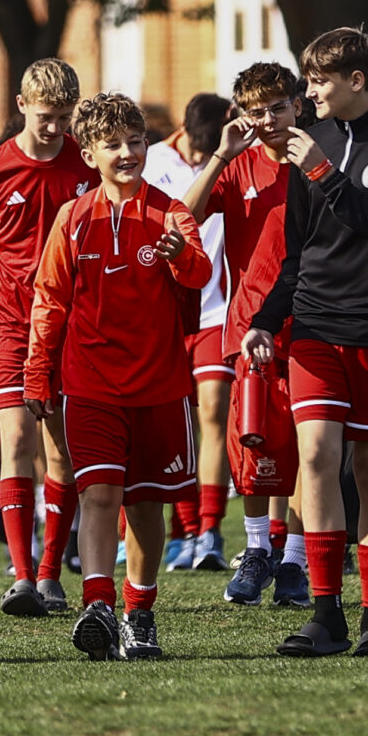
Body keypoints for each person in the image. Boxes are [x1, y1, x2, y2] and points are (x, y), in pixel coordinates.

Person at [241, 27, 368, 659]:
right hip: (316, 328)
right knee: (316, 456)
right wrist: (266, 319)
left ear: (355, 81)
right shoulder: (308, 143)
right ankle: (326, 615)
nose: (309, 91)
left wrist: (323, 172)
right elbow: (296, 252)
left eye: (319, 81)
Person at [25, 92, 213, 660]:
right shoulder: (73, 219)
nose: (127, 152)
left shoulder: (172, 211)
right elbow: (50, 298)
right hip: (91, 385)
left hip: (160, 386)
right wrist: (38, 370)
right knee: (100, 495)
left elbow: (201, 273)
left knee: (146, 507)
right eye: (112, 144)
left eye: (135, 141)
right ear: (88, 155)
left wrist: (180, 254)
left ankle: (141, 610)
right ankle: (99, 606)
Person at [0, 58, 98, 617]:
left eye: (65, 117)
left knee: (60, 448)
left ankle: (50, 573)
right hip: (8, 320)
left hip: (69, 322)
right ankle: (20, 575)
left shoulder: (85, 165)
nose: (55, 127)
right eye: (46, 116)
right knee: (14, 439)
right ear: (21, 105)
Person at [184, 62, 310, 609]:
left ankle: (296, 560)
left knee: (312, 446)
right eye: (256, 111)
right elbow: (181, 218)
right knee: (252, 441)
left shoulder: (319, 160)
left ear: (297, 107)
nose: (267, 120)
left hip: (313, 321)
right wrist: (220, 155)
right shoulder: (238, 167)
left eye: (277, 107)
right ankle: (256, 549)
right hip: (249, 328)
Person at [141, 92, 236, 571]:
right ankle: (182, 528)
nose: (201, 159)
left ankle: (210, 530)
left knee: (214, 411)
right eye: (197, 151)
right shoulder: (151, 160)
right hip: (166, 314)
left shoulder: (230, 157)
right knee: (173, 419)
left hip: (217, 309)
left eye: (209, 152)